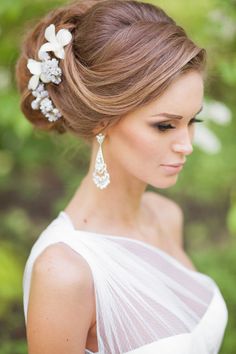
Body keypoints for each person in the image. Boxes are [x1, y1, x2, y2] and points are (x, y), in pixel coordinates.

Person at [15, 0, 228, 353]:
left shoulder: (165, 216)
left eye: (193, 121)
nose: (186, 145)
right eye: (165, 126)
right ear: (103, 120)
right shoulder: (65, 271)